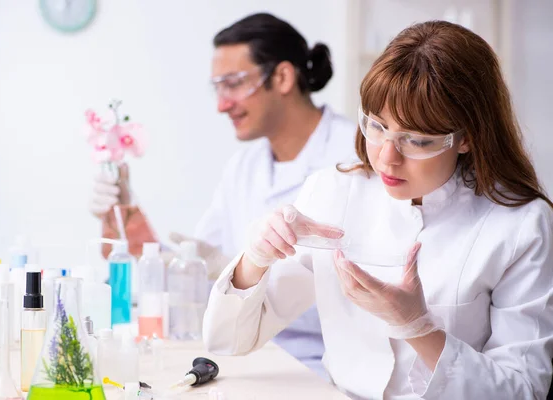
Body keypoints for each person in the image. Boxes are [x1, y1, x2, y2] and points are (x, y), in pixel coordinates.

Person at [202, 20, 553, 399]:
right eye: (377, 126)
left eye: (416, 140)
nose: (387, 157)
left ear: (466, 137)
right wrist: (253, 262)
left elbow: (523, 390)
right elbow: (229, 342)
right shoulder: (334, 192)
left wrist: (419, 328)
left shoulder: (521, 225)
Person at [89, 13, 358, 378]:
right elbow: (202, 283)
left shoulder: (358, 154)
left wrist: (247, 271)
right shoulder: (242, 168)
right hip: (245, 361)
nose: (221, 104)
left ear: (282, 77)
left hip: (329, 368)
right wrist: (142, 242)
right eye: (217, 87)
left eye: (233, 84)